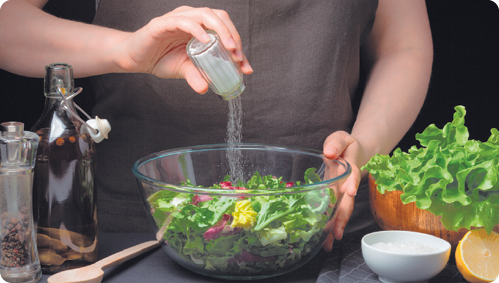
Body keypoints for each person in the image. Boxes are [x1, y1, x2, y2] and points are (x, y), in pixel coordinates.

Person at [0, 0, 433, 252]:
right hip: (135, 235)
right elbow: (8, 23)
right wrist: (126, 51)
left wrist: (365, 143)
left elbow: (403, 44)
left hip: (323, 228)